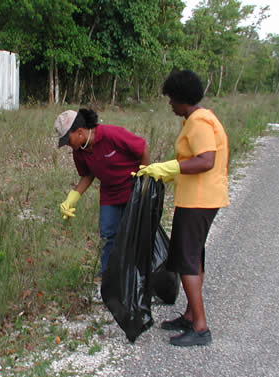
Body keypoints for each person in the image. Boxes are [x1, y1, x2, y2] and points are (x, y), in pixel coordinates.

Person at [137, 70, 229, 347]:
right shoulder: (199, 118)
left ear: (181, 98)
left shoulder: (199, 122)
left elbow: (205, 160)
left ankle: (200, 327)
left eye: (171, 99)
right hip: (199, 197)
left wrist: (168, 167)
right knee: (193, 257)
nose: (169, 104)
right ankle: (190, 315)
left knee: (187, 260)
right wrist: (166, 173)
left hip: (199, 200)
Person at [55, 108, 150, 300]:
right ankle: (106, 281)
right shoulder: (79, 152)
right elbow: (87, 175)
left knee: (135, 235)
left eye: (68, 140)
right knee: (108, 236)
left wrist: (145, 181)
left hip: (133, 191)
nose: (67, 145)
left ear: (80, 132)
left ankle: (139, 280)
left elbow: (142, 148)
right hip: (109, 194)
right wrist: (72, 197)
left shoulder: (110, 135)